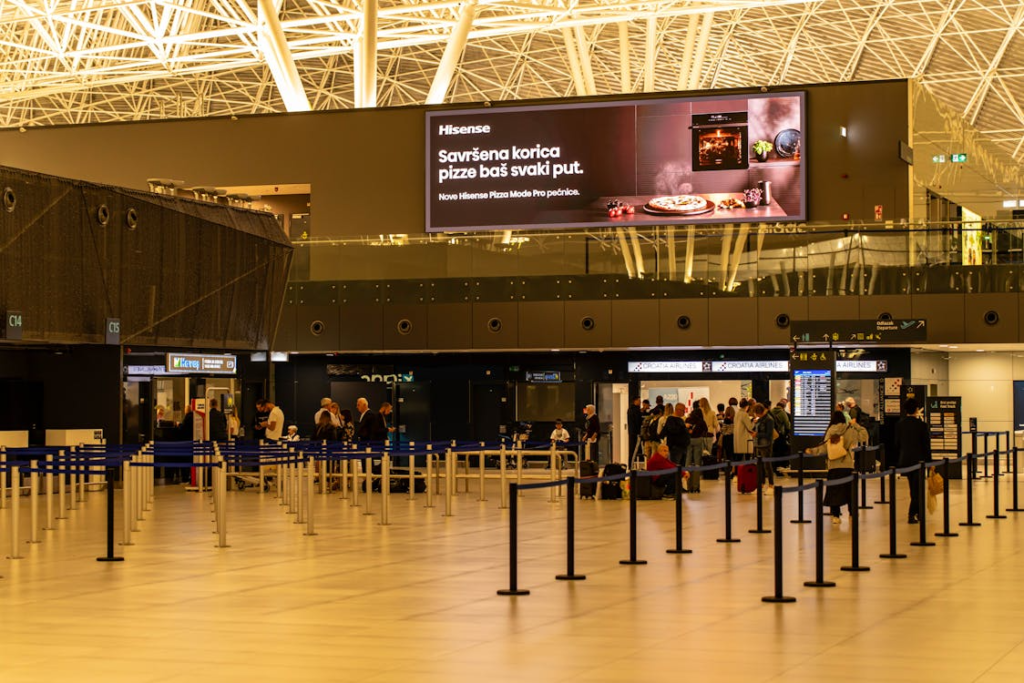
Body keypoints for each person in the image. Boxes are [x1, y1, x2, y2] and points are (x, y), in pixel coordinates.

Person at [806, 410, 868, 524]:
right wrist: (856, 425)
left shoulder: (831, 430)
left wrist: (813, 451)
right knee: (850, 491)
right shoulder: (850, 429)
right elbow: (864, 436)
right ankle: (852, 514)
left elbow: (825, 447)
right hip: (847, 464)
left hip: (834, 465)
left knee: (834, 491)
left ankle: (836, 516)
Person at [895, 398, 931, 524]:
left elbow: (897, 443)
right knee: (918, 489)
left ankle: (918, 513)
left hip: (905, 460)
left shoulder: (900, 425)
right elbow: (926, 445)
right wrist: (929, 462)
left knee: (913, 488)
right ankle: (913, 513)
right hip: (919, 461)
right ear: (917, 410)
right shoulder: (921, 425)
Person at [684, 404, 708, 493]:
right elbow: (705, 430)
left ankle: (688, 486)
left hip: (689, 440)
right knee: (697, 462)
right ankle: (696, 486)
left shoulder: (688, 419)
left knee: (688, 461)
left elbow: (684, 429)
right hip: (698, 440)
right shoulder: (701, 421)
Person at [752, 403, 775, 490]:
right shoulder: (760, 419)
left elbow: (769, 434)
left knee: (767, 465)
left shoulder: (769, 419)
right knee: (759, 465)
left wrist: (757, 434)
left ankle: (771, 484)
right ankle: (761, 483)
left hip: (766, 445)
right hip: (759, 444)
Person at [627, 396, 643, 461]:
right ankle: (637, 462)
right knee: (636, 449)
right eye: (639, 400)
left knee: (632, 449)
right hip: (636, 432)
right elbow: (638, 421)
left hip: (631, 432)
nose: (640, 402)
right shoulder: (636, 410)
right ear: (635, 401)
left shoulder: (630, 409)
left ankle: (631, 463)